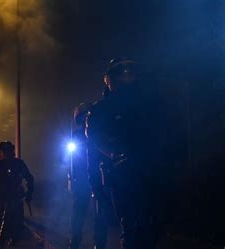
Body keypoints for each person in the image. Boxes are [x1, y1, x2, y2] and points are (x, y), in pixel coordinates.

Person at [86, 58, 165, 249]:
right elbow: (94, 140)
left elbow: (160, 134)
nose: (125, 78)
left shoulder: (145, 105)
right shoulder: (101, 110)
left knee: (150, 227)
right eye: (121, 74)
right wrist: (111, 157)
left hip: (147, 173)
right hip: (120, 175)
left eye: (129, 74)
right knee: (130, 227)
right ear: (109, 79)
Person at [69, 102, 113, 249]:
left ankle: (100, 244)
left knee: (100, 214)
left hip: (97, 177)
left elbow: (106, 155)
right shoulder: (76, 136)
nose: (85, 119)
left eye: (87, 116)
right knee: (79, 214)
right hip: (82, 180)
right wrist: (71, 178)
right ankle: (74, 243)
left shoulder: (99, 134)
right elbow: (71, 160)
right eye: (82, 116)